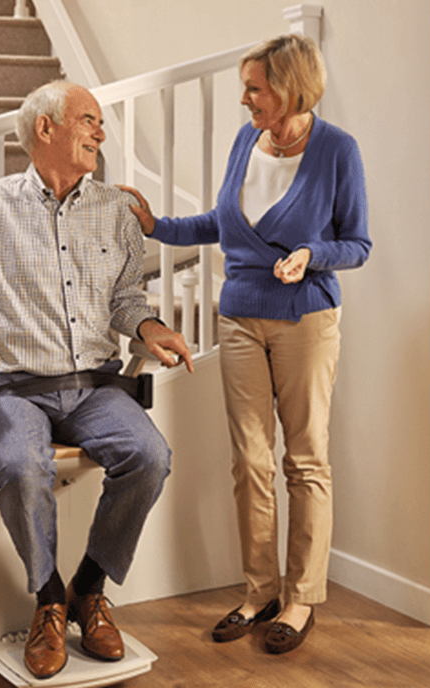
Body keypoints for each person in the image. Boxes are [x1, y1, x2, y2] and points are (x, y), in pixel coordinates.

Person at [0, 80, 193, 680]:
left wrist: (149, 328)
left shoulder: (114, 210)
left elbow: (127, 298)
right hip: (9, 389)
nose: (101, 133)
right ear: (46, 129)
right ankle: (48, 600)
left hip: (94, 387)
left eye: (100, 123)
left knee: (149, 455)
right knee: (23, 466)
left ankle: (88, 588)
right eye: (89, 121)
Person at [121, 34, 370, 655]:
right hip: (239, 317)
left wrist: (313, 256)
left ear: (289, 87)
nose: (245, 99)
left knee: (305, 460)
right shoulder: (244, 141)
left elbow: (358, 244)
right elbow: (221, 223)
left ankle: (301, 597)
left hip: (306, 318)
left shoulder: (337, 150)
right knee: (249, 462)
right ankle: (259, 591)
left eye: (255, 88)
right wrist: (157, 226)